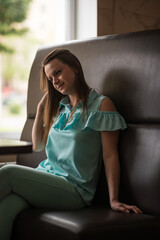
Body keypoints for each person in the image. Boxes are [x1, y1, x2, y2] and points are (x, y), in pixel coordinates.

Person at [0, 49, 142, 240]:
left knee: (7, 172)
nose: (55, 81)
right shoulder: (62, 108)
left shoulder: (101, 105)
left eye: (57, 73)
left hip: (75, 190)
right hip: (47, 177)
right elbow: (38, 145)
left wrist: (114, 199)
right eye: (51, 78)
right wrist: (41, 109)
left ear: (75, 68)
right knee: (7, 207)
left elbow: (110, 155)